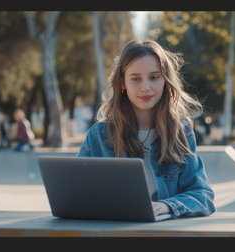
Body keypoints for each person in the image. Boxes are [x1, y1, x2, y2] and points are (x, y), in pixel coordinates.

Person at [77, 40, 215, 218]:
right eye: (135, 79)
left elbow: (203, 196)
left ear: (165, 80)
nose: (145, 87)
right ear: (122, 83)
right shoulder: (99, 135)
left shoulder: (181, 132)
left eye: (154, 77)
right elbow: (77, 195)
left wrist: (166, 206)